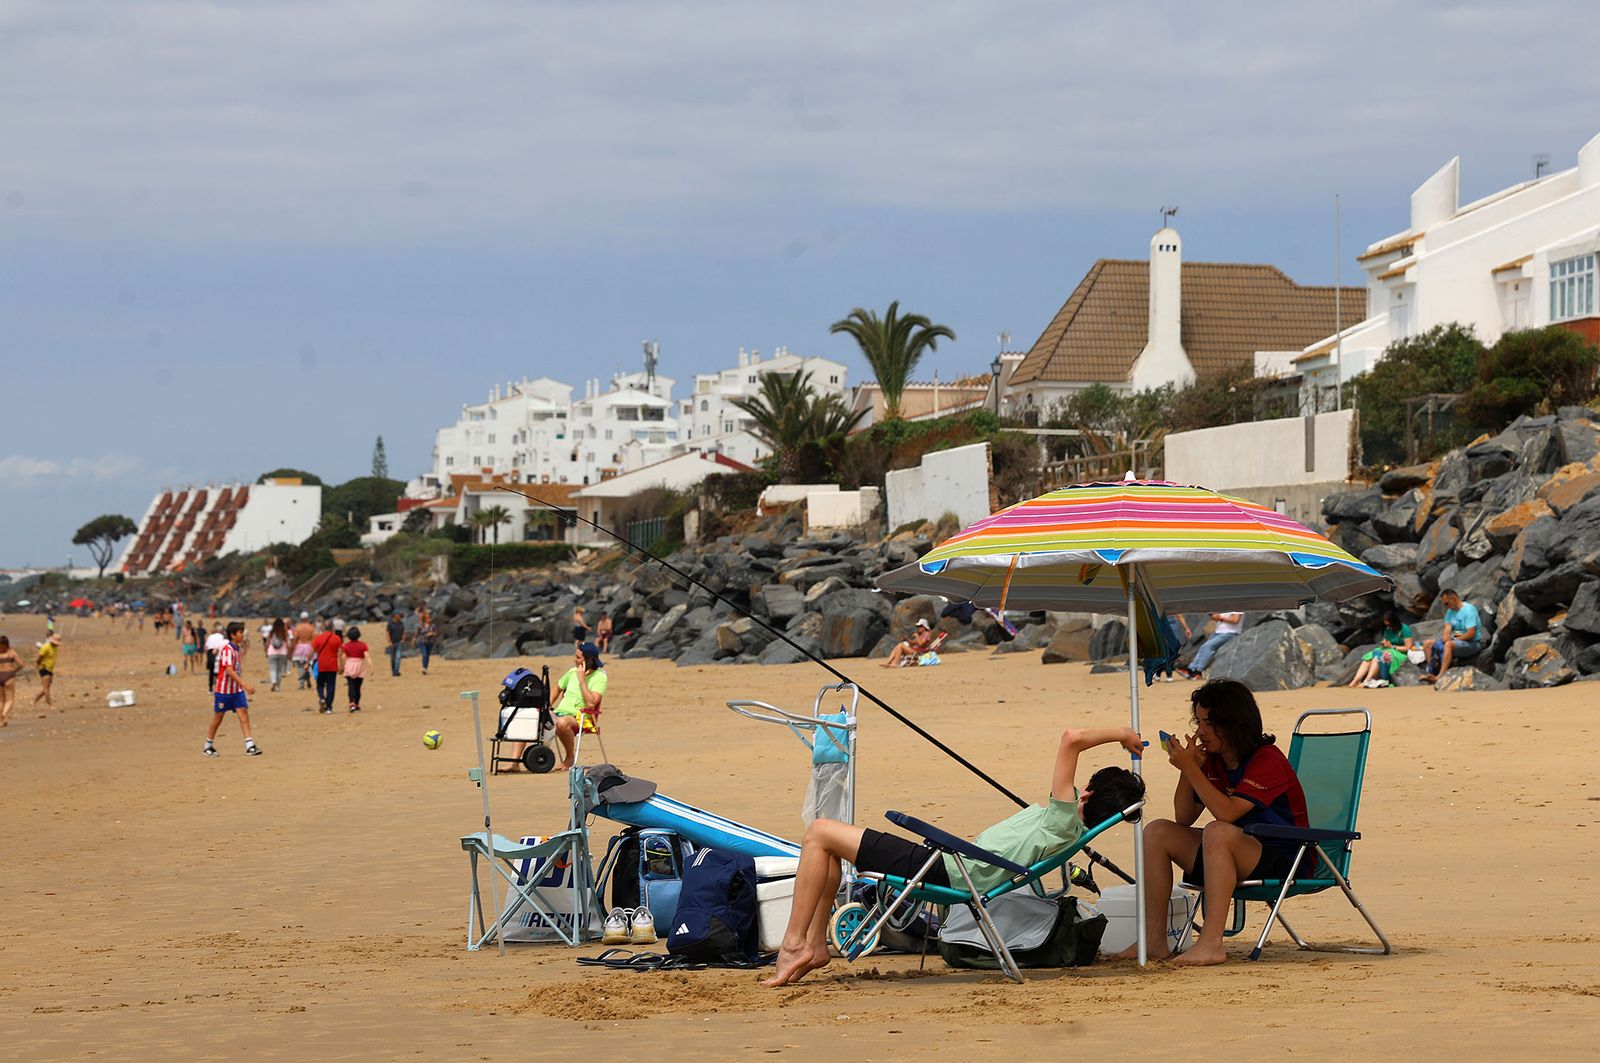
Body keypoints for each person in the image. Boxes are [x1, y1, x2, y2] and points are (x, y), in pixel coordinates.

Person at [765, 725, 1147, 987]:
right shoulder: (1068, 830)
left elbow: (1072, 738)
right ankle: (814, 943)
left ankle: (794, 943)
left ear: (1088, 795)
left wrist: (1123, 735)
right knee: (827, 846)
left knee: (818, 833)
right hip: (952, 867)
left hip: (944, 870)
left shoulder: (1063, 819)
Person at [1119, 679, 1311, 965]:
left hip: (1285, 853)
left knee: (1218, 831)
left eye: (1208, 723)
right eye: (1199, 721)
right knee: (1157, 831)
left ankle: (1211, 943)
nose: (1200, 731)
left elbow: (1228, 813)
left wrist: (1190, 767)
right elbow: (1183, 817)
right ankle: (1154, 939)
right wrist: (1190, 769)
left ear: (1233, 724)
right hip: (1237, 848)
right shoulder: (1215, 760)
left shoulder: (1267, 760)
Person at [204, 622, 262, 758]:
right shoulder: (227, 650)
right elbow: (229, 670)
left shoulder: (236, 649)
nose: (242, 635)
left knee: (243, 714)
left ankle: (250, 745)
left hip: (236, 690)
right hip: (224, 690)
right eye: (240, 632)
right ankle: (207, 745)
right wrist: (245, 684)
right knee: (218, 717)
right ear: (233, 635)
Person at [552, 641, 606, 769]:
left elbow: (591, 703)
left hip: (582, 717)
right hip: (560, 712)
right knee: (531, 716)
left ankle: (570, 758)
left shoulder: (599, 677)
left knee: (562, 723)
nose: (574, 660)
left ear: (588, 660)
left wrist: (582, 680)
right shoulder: (571, 672)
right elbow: (556, 688)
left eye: (578, 657)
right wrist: (544, 706)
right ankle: (515, 761)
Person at [1421, 588, 1481, 685]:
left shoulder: (1469, 610)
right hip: (1458, 638)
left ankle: (1440, 676)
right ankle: (1431, 672)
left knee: (1448, 645)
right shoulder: (1450, 612)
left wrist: (1454, 639)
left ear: (1453, 599)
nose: (1446, 606)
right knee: (1427, 643)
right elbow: (1447, 628)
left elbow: (1471, 634)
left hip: (1472, 642)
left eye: (1446, 603)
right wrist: (1446, 637)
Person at [1349, 610, 1414, 688]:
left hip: (1399, 652)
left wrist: (1392, 647)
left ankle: (1368, 679)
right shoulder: (1387, 630)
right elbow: (1386, 640)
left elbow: (1408, 647)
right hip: (1388, 649)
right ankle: (1356, 680)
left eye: (1390, 625)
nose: (1389, 627)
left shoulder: (1404, 629)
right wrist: (1384, 644)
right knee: (1369, 656)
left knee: (1378, 654)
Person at [1179, 611, 1243, 679]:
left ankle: (1198, 671)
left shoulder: (1237, 605)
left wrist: (1220, 617)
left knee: (1208, 647)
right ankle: (1191, 669)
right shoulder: (1225, 605)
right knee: (1203, 647)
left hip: (1231, 633)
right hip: (1218, 632)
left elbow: (1235, 620)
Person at [311, 619, 343, 714]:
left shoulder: (318, 638)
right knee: (331, 685)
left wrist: (306, 662)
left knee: (320, 684)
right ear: (333, 628)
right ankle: (329, 707)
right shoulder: (337, 639)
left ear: (323, 628)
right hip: (332, 665)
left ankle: (321, 698)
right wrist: (341, 666)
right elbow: (340, 653)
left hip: (321, 665)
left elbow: (312, 651)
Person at [340, 626, 369, 713]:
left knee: (351, 686)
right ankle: (356, 704)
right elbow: (367, 656)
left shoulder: (346, 646)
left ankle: (351, 703)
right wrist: (371, 667)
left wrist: (341, 667)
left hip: (349, 665)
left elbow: (343, 657)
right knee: (358, 687)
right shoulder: (363, 645)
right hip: (359, 665)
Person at [33, 633, 62, 708]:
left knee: (47, 687)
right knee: (46, 688)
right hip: (44, 668)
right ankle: (50, 705)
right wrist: (37, 667)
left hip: (50, 669)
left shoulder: (55, 648)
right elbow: (38, 658)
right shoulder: (46, 647)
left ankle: (35, 700)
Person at [0, 635, 22, 727]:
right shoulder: (11, 653)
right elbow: (21, 664)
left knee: (1, 700)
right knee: (10, 700)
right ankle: (4, 714)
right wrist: (14, 671)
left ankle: (2, 721)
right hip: (9, 676)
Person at [265, 617, 291, 691]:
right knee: (279, 670)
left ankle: (273, 682)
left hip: (272, 652)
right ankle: (278, 686)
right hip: (282, 653)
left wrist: (266, 651)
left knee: (272, 669)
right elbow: (287, 643)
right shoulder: (284, 632)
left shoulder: (272, 632)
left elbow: (267, 642)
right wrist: (289, 652)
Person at [291, 612, 316, 689]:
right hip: (309, 647)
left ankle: (301, 684)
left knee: (300, 667)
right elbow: (314, 638)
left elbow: (295, 639)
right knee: (308, 665)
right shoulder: (311, 627)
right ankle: (308, 681)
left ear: (301, 618)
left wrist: (292, 648)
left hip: (300, 647)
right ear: (307, 618)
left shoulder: (298, 628)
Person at [203, 625, 227, 693]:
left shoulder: (211, 636)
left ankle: (210, 688)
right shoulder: (222, 637)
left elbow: (206, 647)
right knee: (219, 672)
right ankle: (218, 688)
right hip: (218, 653)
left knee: (211, 672)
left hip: (210, 653)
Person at [416, 608, 437, 675]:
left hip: (430, 642)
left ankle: (425, 668)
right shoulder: (420, 626)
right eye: (427, 618)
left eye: (429, 618)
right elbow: (417, 633)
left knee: (427, 655)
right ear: (424, 619)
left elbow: (435, 633)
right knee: (424, 654)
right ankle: (424, 668)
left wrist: (431, 634)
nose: (429, 619)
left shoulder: (433, 625)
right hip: (422, 641)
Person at [385, 611, 406, 677]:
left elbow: (403, 631)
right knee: (393, 658)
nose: (399, 616)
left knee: (398, 657)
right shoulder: (390, 624)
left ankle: (396, 671)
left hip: (399, 642)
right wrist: (389, 641)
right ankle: (394, 671)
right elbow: (387, 633)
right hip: (392, 642)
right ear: (394, 615)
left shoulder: (401, 623)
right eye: (398, 615)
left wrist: (403, 639)